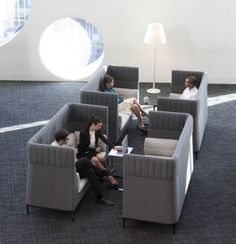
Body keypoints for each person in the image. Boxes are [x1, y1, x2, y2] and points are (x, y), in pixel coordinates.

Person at [51, 129, 114, 206]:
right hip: (68, 171)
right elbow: (61, 165)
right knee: (84, 160)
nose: (68, 140)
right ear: (61, 140)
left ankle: (99, 197)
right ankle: (103, 172)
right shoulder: (54, 149)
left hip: (73, 166)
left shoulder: (63, 145)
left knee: (90, 171)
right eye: (66, 139)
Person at [77, 116, 121, 189]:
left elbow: (104, 139)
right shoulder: (83, 133)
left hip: (93, 151)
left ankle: (103, 175)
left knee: (102, 158)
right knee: (96, 160)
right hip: (84, 153)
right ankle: (110, 178)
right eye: (99, 126)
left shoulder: (97, 131)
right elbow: (82, 148)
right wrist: (94, 150)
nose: (100, 127)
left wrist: (114, 146)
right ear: (93, 124)